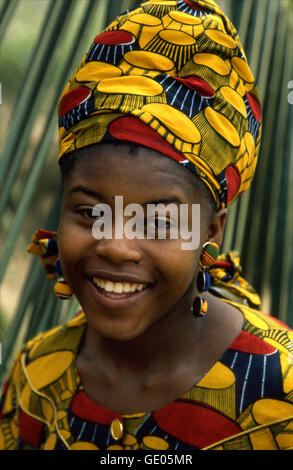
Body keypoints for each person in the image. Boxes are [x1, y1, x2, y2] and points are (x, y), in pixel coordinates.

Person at [0, 0, 292, 451]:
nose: (116, 245)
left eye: (158, 221)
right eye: (92, 213)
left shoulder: (282, 392)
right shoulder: (36, 380)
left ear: (210, 232)